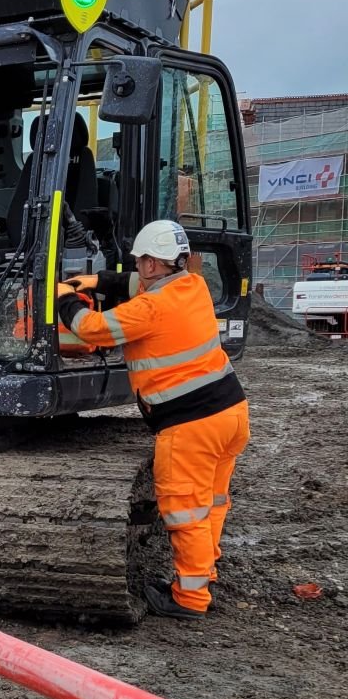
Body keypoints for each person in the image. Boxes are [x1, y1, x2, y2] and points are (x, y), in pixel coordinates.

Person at [56, 219, 249, 620]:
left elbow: (93, 329)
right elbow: (134, 284)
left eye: (142, 261)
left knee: (184, 510)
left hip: (190, 425)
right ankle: (202, 573)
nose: (139, 268)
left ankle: (190, 599)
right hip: (230, 413)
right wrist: (96, 280)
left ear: (150, 262)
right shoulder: (192, 284)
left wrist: (64, 299)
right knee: (211, 503)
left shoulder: (149, 309)